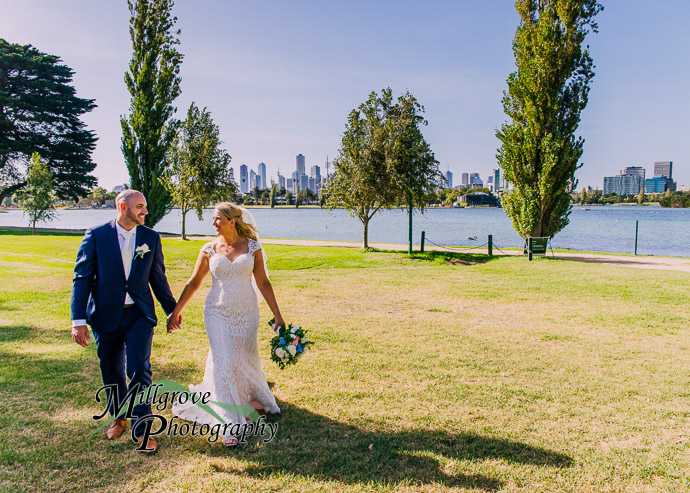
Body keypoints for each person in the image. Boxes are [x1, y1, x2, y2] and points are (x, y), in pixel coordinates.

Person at [70, 189, 179, 454]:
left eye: (145, 206)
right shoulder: (96, 235)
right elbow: (82, 278)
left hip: (139, 314)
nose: (145, 211)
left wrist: (171, 311)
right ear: (122, 207)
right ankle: (119, 416)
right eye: (140, 206)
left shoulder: (150, 237)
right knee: (112, 369)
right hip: (105, 315)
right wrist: (78, 320)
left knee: (139, 369)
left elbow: (158, 278)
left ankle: (143, 429)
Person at [169, 202, 283, 447]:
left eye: (218, 218)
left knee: (243, 359)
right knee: (224, 361)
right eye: (213, 218)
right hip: (217, 313)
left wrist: (277, 315)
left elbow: (264, 283)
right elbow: (193, 282)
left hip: (246, 313)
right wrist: (176, 311)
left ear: (233, 220)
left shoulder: (252, 248)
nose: (214, 223)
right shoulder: (209, 249)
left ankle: (244, 401)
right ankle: (228, 422)